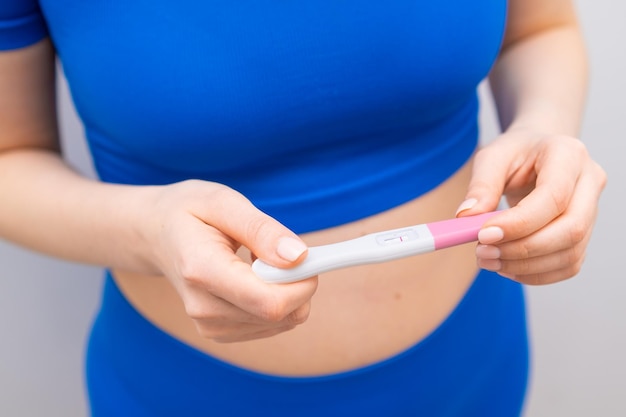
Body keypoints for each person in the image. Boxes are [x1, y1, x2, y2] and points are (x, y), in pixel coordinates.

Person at [0, 0, 606, 416]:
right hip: (188, 391)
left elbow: (539, 28)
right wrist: (147, 232)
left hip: (471, 367)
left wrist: (544, 128)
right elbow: (10, 157)